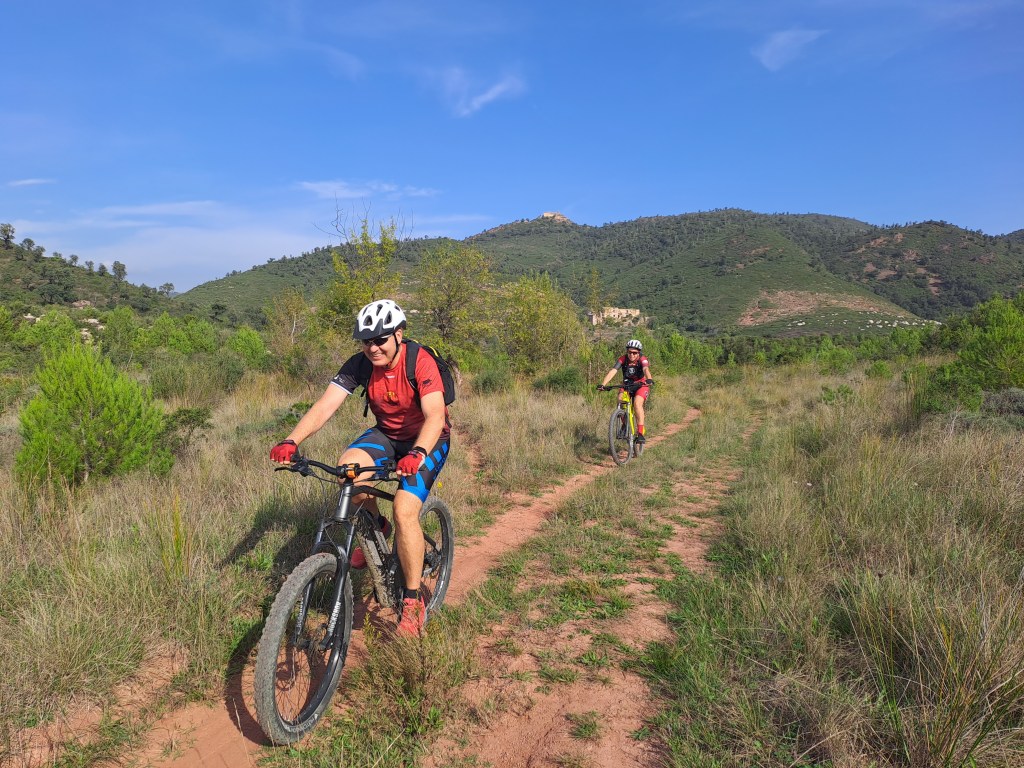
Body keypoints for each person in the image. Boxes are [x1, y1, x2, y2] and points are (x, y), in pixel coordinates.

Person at [270, 299, 450, 637]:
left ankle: (412, 602)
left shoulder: (419, 361)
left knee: (404, 509)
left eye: (380, 339)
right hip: (387, 434)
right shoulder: (360, 364)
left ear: (398, 335)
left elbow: (435, 416)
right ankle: (377, 527)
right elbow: (325, 406)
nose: (373, 347)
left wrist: (418, 452)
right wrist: (291, 440)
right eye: (366, 341)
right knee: (347, 473)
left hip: (428, 438)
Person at [598, 339, 654, 443]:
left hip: (641, 385)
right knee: (620, 400)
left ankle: (640, 433)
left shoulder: (642, 359)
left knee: (637, 404)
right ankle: (625, 424)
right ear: (627, 352)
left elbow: (646, 369)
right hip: (627, 384)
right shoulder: (622, 359)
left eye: (634, 353)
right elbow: (613, 371)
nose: (632, 355)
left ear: (639, 353)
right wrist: (603, 384)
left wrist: (649, 379)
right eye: (629, 352)